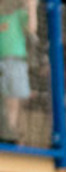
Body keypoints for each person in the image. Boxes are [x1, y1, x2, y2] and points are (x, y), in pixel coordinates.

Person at [0, 0, 35, 144]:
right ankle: (6, 130)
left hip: (15, 61)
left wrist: (31, 7)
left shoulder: (17, 15)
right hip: (2, 62)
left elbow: (32, 28)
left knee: (13, 100)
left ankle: (11, 132)